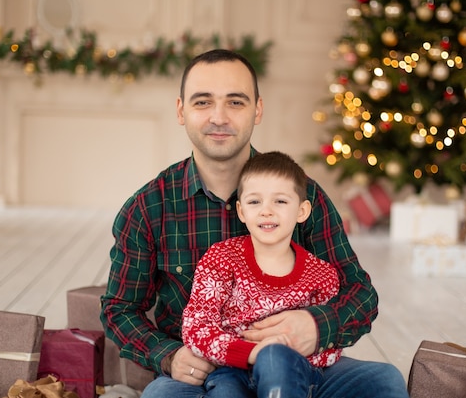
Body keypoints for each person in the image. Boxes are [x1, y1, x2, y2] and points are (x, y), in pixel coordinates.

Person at [100, 48, 408, 398]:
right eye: (203, 102)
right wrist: (168, 356)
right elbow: (120, 309)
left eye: (235, 102)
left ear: (257, 110)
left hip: (299, 365)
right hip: (205, 371)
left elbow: (360, 293)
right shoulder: (148, 207)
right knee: (162, 397)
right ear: (181, 110)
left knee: (384, 382)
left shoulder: (300, 195)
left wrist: (316, 326)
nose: (219, 117)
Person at [182, 151, 341, 398]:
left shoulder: (321, 275)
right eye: (255, 202)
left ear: (302, 211)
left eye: (280, 201)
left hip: (294, 370)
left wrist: (282, 351)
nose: (266, 211)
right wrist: (253, 353)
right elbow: (197, 326)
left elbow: (331, 346)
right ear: (242, 211)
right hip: (230, 370)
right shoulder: (221, 259)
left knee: (378, 378)